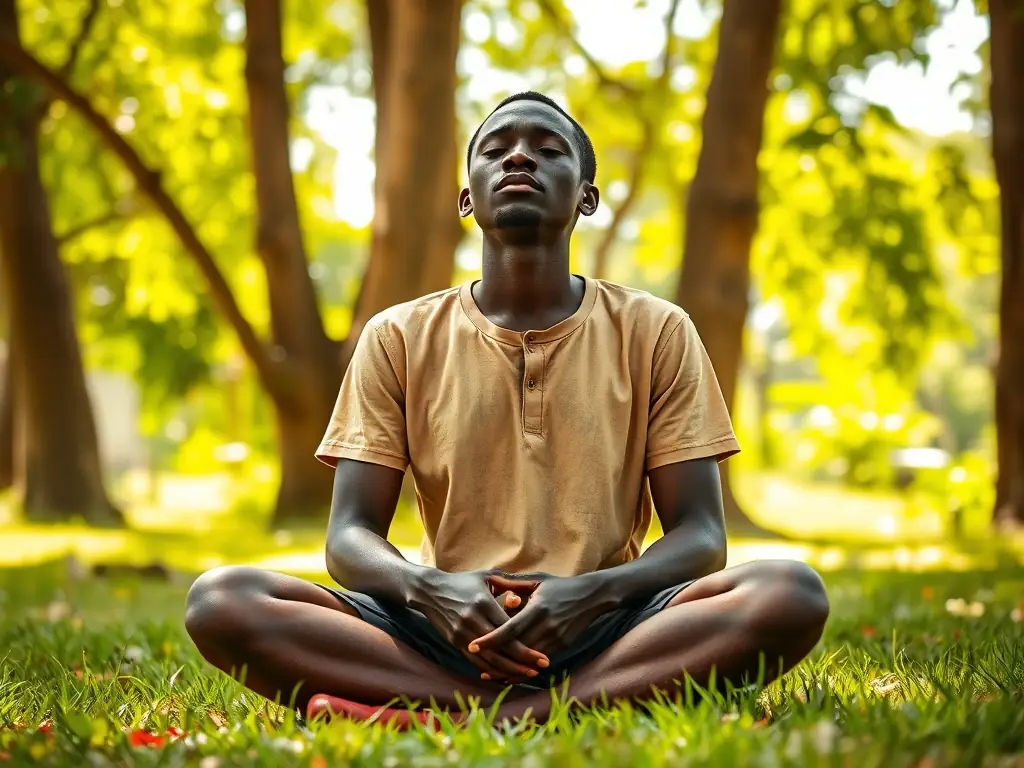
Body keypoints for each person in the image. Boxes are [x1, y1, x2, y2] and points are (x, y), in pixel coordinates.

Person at [184, 91, 829, 729]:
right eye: (496, 149)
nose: (519, 157)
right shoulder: (398, 336)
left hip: (611, 625)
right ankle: (548, 711)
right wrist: (431, 591)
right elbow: (349, 537)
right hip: (447, 625)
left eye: (548, 150)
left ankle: (479, 717)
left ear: (586, 197)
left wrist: (593, 593)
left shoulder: (656, 330)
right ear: (468, 197)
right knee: (222, 601)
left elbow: (701, 536)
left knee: (788, 593)